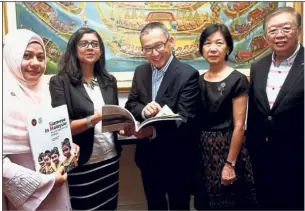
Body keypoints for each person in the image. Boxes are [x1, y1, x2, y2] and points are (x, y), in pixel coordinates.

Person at [124, 22, 200, 210]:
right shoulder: (140, 71)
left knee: (179, 205)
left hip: (177, 158)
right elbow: (131, 103)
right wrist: (143, 111)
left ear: (170, 42)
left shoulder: (188, 74)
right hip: (148, 157)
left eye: (158, 46)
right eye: (148, 49)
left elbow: (186, 119)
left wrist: (154, 129)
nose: (154, 53)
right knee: (154, 205)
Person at [49, 27, 122, 211]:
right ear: (74, 48)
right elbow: (62, 128)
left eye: (95, 44)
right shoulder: (60, 82)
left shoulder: (109, 81)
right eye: (84, 43)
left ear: (100, 51)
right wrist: (95, 118)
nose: (90, 47)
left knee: (109, 206)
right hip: (81, 163)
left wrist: (123, 126)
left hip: (110, 159)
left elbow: (111, 121)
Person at [3, 29, 71, 210]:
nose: (35, 63)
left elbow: (54, 138)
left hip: (58, 190)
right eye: (27, 56)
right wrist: (45, 181)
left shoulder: (46, 93)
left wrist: (69, 149)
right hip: (26, 198)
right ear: (12, 57)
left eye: (41, 57)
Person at [194, 23, 256, 210]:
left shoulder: (237, 79)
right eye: (207, 43)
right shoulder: (197, 80)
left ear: (228, 47)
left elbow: (239, 126)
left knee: (230, 203)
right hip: (203, 151)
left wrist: (229, 164)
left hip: (228, 148)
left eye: (219, 43)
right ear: (201, 48)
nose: (213, 48)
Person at [246, 7, 304, 210]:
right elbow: (254, 110)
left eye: (286, 28)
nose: (279, 35)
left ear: (298, 30)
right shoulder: (258, 66)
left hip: (298, 159)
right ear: (266, 36)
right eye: (273, 30)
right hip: (263, 157)